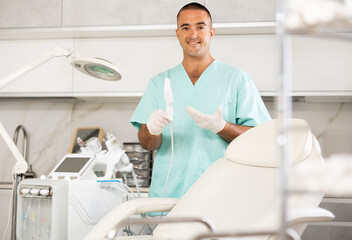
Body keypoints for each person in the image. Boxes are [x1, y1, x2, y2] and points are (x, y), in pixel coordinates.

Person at [130, 2, 271, 199]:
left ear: (211, 32)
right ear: (177, 33)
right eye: (185, 27)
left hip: (220, 196)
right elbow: (147, 144)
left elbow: (259, 139)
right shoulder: (159, 83)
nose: (193, 34)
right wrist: (152, 130)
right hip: (168, 196)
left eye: (200, 27)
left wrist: (222, 127)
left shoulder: (237, 80)